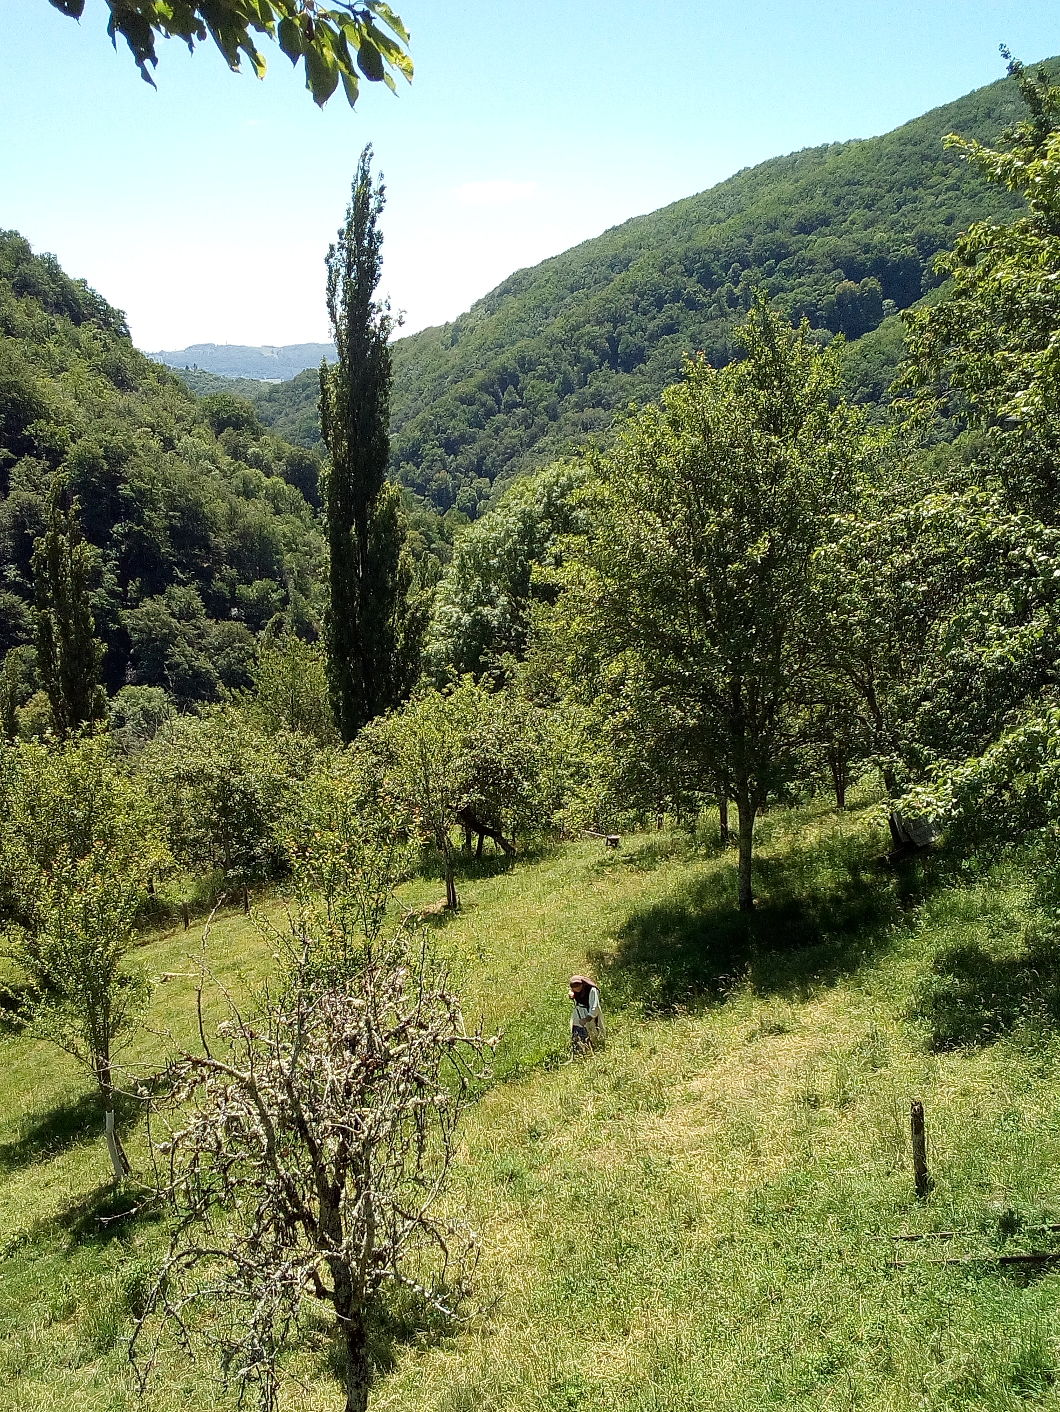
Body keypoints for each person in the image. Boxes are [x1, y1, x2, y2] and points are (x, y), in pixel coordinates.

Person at [569, 974, 604, 1053]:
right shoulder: (574, 989)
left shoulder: (592, 990)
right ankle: (579, 1050)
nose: (576, 989)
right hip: (578, 1013)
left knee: (593, 1032)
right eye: (574, 988)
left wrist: (587, 1019)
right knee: (577, 1030)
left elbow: (595, 1007)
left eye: (578, 987)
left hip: (590, 1014)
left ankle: (595, 1048)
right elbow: (571, 990)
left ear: (582, 984)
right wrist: (571, 993)